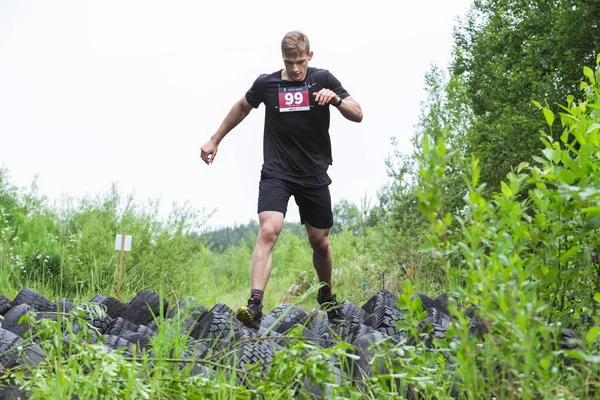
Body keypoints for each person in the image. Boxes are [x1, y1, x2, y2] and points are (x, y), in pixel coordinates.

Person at [200, 31, 363, 329]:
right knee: (268, 231)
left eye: (301, 62)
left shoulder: (322, 79)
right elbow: (241, 107)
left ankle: (326, 294)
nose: (296, 68)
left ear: (310, 57)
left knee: (320, 242)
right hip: (277, 171)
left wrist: (336, 100)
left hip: (313, 173)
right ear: (282, 60)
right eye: (290, 63)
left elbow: (358, 113)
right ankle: (255, 304)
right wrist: (215, 139)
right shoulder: (267, 84)